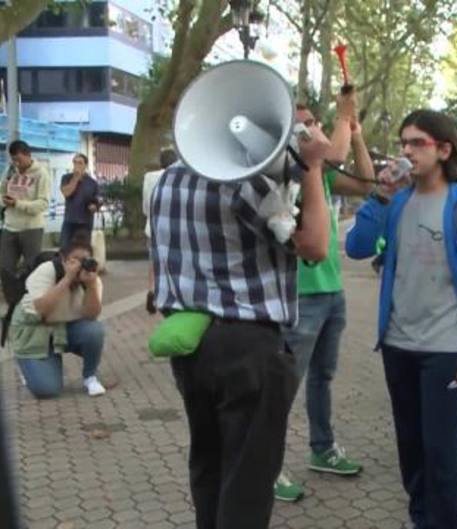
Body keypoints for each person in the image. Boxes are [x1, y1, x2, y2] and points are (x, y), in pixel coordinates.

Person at [149, 106, 332, 527]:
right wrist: (314, 168)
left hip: (191, 344)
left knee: (209, 467)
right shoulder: (244, 185)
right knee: (248, 479)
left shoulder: (167, 181)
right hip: (248, 347)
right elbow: (315, 244)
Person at [345, 109, 457, 529]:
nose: (407, 152)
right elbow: (358, 248)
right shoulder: (396, 201)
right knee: (412, 451)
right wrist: (378, 196)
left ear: (444, 149)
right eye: (404, 143)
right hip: (398, 345)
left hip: (447, 349)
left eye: (418, 143)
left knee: (444, 456)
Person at [274, 93, 377, 502]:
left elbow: (369, 185)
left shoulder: (322, 173)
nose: (310, 129)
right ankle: (267, 466)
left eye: (313, 121)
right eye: (300, 125)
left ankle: (322, 448)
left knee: (323, 377)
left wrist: (356, 135)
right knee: (283, 386)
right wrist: (341, 120)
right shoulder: (285, 177)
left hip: (332, 292)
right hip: (298, 297)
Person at [9, 233, 106, 398]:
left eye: (86, 260)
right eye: (76, 260)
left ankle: (90, 377)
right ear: (63, 258)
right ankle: (28, 366)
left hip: (64, 329)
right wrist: (67, 279)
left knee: (94, 330)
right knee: (48, 390)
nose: (81, 265)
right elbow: (42, 310)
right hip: (35, 332)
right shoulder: (47, 271)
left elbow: (91, 315)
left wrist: (90, 286)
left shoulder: (91, 279)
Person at [0, 140, 50, 305]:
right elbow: (0, 192)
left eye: (19, 160)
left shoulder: (41, 174)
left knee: (32, 269)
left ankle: (30, 304)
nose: (17, 164)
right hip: (9, 227)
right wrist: (3, 201)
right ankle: (12, 304)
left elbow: (43, 203)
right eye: (14, 160)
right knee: (5, 269)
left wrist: (18, 204)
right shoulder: (10, 171)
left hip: (31, 229)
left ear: (28, 155)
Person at [141, 148, 178, 313]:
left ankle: (152, 290)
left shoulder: (150, 177)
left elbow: (146, 204)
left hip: (154, 224)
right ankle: (172, 293)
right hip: (174, 225)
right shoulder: (179, 175)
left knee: (153, 259)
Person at [59, 153, 100, 249]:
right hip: (69, 220)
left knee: (83, 250)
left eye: (80, 163)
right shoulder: (66, 178)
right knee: (65, 249)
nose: (77, 165)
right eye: (75, 162)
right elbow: (66, 193)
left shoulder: (92, 183)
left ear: (85, 165)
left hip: (85, 222)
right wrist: (76, 178)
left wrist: (94, 207)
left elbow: (96, 201)